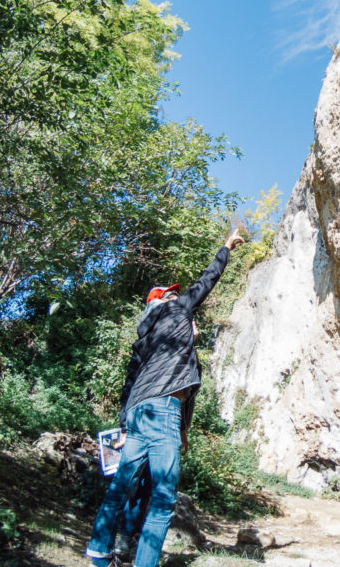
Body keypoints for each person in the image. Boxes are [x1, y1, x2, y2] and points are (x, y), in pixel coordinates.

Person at [86, 229, 244, 567]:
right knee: (162, 500)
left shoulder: (145, 338)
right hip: (162, 410)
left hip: (138, 413)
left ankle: (99, 554)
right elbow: (206, 281)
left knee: (121, 486)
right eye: (172, 294)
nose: (178, 296)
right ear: (163, 301)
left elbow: (130, 384)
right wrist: (226, 248)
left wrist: (125, 425)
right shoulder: (177, 310)